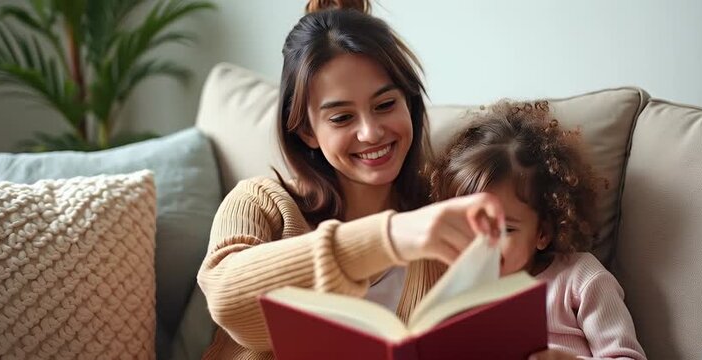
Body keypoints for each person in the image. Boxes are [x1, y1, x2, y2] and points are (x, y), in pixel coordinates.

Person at [197, 1, 505, 358]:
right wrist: (390, 237)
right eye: (342, 118)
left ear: (410, 103)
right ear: (306, 131)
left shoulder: (444, 213)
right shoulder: (261, 203)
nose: (371, 133)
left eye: (385, 104)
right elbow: (228, 300)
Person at [429, 100, 647, 360]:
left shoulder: (579, 278)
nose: (481, 243)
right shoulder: (457, 289)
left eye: (504, 229)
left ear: (542, 232)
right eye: (468, 225)